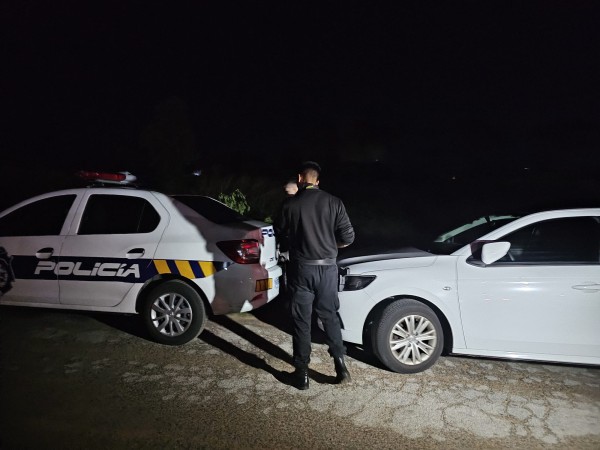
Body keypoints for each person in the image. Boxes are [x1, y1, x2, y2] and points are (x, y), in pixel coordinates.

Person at [276, 161, 355, 390]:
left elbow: (279, 231)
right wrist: (331, 246)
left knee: (302, 321)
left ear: (300, 178)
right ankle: (341, 366)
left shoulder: (290, 205)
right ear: (317, 181)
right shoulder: (334, 202)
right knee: (330, 316)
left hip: (302, 269)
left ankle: (301, 375)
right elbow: (348, 237)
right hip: (328, 269)